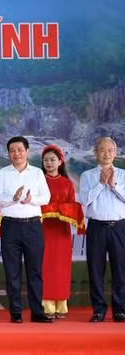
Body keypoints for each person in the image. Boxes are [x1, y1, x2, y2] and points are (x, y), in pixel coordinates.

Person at [0, 136, 53, 323]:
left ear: (27, 151)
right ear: (8, 153)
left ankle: (37, 312)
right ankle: (16, 312)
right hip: (10, 225)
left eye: (20, 149)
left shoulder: (37, 173)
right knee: (12, 271)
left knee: (35, 271)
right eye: (12, 150)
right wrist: (14, 197)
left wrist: (29, 200)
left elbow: (46, 198)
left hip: (33, 225)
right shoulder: (2, 173)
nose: (16, 153)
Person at [80, 137, 125, 322]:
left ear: (115, 153)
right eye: (102, 150)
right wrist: (100, 183)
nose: (106, 154)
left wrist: (113, 185)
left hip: (120, 227)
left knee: (121, 270)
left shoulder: (123, 174)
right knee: (96, 269)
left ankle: (120, 309)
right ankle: (98, 310)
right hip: (97, 227)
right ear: (95, 152)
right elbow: (84, 201)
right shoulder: (87, 175)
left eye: (110, 150)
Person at [40, 145, 78, 319]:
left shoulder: (67, 183)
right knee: (45, 265)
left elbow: (72, 205)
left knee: (61, 267)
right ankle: (46, 305)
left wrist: (61, 209)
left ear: (60, 161)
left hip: (62, 229)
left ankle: (61, 305)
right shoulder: (38, 180)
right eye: (46, 160)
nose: (49, 163)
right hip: (42, 228)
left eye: (52, 159)